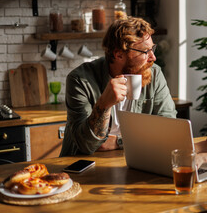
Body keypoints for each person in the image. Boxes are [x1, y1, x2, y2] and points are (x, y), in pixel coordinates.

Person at [60, 17, 176, 156]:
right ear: (119, 55)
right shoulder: (80, 80)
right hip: (84, 164)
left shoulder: (154, 73)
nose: (153, 57)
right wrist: (104, 104)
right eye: (145, 52)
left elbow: (168, 129)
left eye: (152, 49)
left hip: (132, 158)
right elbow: (87, 145)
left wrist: (118, 142)